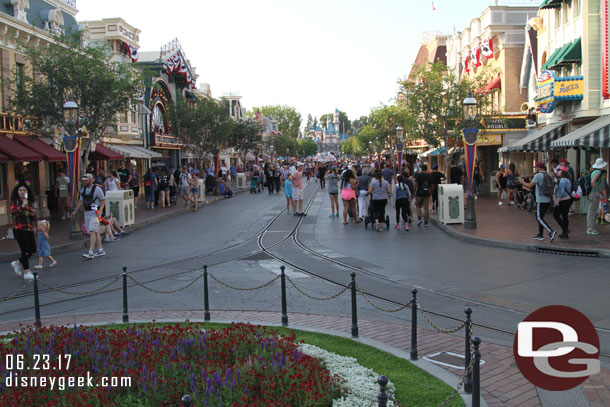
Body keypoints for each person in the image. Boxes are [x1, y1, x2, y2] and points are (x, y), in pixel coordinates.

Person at [71, 173, 106, 259]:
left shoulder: (97, 189)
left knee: (91, 231)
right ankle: (101, 249)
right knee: (95, 231)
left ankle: (90, 251)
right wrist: (75, 211)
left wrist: (100, 211)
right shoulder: (83, 190)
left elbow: (103, 200)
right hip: (87, 212)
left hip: (95, 212)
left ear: (90, 180)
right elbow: (81, 201)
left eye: (86, 180)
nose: (84, 182)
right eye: (83, 180)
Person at [520, 162, 557, 242]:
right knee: (541, 217)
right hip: (548, 199)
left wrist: (522, 182)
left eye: (536, 167)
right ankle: (540, 234)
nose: (535, 169)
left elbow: (530, 185)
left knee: (539, 217)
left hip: (541, 199)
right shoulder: (548, 175)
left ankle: (551, 231)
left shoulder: (538, 175)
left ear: (539, 168)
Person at [9, 182, 37, 280]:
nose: (22, 192)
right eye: (20, 190)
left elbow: (33, 217)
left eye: (24, 190)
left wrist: (33, 214)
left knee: (32, 249)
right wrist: (22, 206)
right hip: (19, 228)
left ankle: (17, 263)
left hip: (28, 227)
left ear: (27, 191)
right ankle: (26, 271)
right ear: (17, 192)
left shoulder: (29, 202)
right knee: (24, 251)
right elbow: (13, 212)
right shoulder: (15, 202)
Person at [587, 158, 608, 235]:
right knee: (592, 212)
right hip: (594, 194)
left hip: (592, 193)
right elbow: (593, 182)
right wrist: (597, 191)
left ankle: (590, 228)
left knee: (591, 211)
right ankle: (590, 229)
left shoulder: (594, 171)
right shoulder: (598, 172)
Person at [553, 169, 572, 239]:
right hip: (568, 199)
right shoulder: (567, 180)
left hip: (563, 200)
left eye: (559, 172)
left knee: (556, 214)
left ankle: (565, 229)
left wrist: (557, 200)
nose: (557, 173)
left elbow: (561, 190)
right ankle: (565, 233)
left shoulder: (562, 180)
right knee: (564, 216)